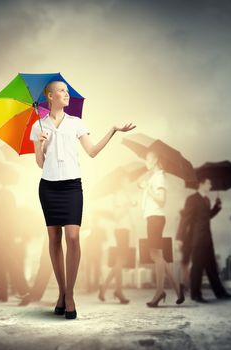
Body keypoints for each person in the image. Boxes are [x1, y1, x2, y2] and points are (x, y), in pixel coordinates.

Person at [31, 79, 135, 319]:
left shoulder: (75, 123)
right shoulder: (39, 126)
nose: (66, 94)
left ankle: (70, 294)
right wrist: (42, 145)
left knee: (73, 236)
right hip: (48, 187)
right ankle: (61, 293)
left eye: (67, 91)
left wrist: (113, 130)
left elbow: (92, 151)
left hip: (71, 186)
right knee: (54, 238)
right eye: (61, 91)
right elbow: (39, 164)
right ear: (50, 96)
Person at [178, 177, 231, 302]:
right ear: (201, 184)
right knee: (197, 267)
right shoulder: (192, 199)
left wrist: (217, 207)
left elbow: (207, 216)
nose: (211, 185)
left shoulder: (206, 200)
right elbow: (185, 219)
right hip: (197, 238)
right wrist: (180, 237)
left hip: (207, 239)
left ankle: (220, 293)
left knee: (212, 268)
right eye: (209, 182)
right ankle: (195, 294)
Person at [140, 151, 184, 307]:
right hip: (152, 217)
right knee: (159, 257)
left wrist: (148, 188)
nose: (145, 161)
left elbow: (161, 200)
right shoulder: (154, 177)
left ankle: (159, 292)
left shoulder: (159, 176)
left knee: (155, 256)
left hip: (155, 218)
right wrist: (145, 187)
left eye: (147, 158)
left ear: (156, 159)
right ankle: (178, 290)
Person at [0, 174, 30, 302]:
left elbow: (12, 215)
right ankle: (2, 294)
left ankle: (25, 291)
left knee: (12, 263)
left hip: (6, 236)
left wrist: (15, 234)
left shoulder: (7, 194)